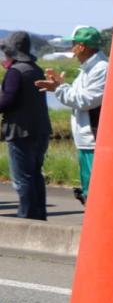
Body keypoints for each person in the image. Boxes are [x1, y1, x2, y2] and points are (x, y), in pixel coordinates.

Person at [35, 26, 106, 205]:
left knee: (96, 192)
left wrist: (59, 88)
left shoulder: (101, 69)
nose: (71, 49)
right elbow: (77, 95)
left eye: (72, 44)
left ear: (81, 47)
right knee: (90, 190)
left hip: (93, 139)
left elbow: (85, 100)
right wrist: (60, 85)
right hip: (86, 139)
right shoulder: (88, 68)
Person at [0, 32, 51, 220]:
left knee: (22, 178)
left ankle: (26, 217)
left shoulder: (16, 71)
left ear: (11, 52)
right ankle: (38, 216)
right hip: (40, 129)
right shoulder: (35, 69)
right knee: (35, 175)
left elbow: (7, 101)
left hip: (20, 130)